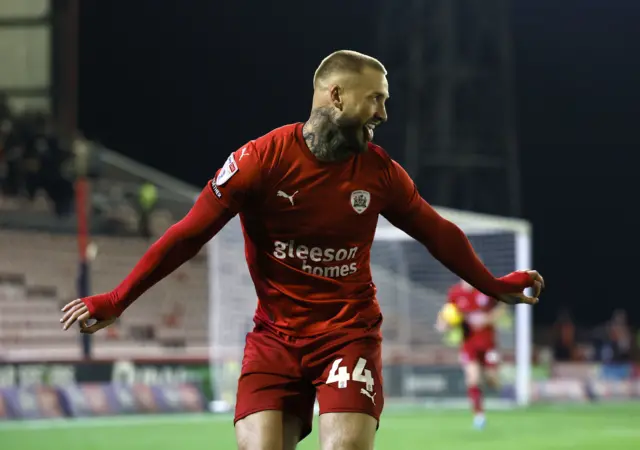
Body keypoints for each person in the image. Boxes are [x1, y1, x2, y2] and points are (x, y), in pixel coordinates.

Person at [59, 50, 544, 450]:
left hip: (347, 334)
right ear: (335, 95)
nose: (383, 114)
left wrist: (494, 286)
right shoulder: (258, 161)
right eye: (375, 99)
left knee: (344, 448)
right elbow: (187, 235)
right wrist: (117, 299)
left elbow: (437, 232)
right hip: (275, 339)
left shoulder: (380, 173)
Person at [436, 280, 508, 430]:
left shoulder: (486, 289)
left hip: (489, 344)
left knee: (492, 379)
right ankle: (479, 416)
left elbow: (502, 306)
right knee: (473, 378)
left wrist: (488, 318)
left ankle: (496, 384)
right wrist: (443, 325)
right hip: (469, 344)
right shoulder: (455, 293)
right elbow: (446, 314)